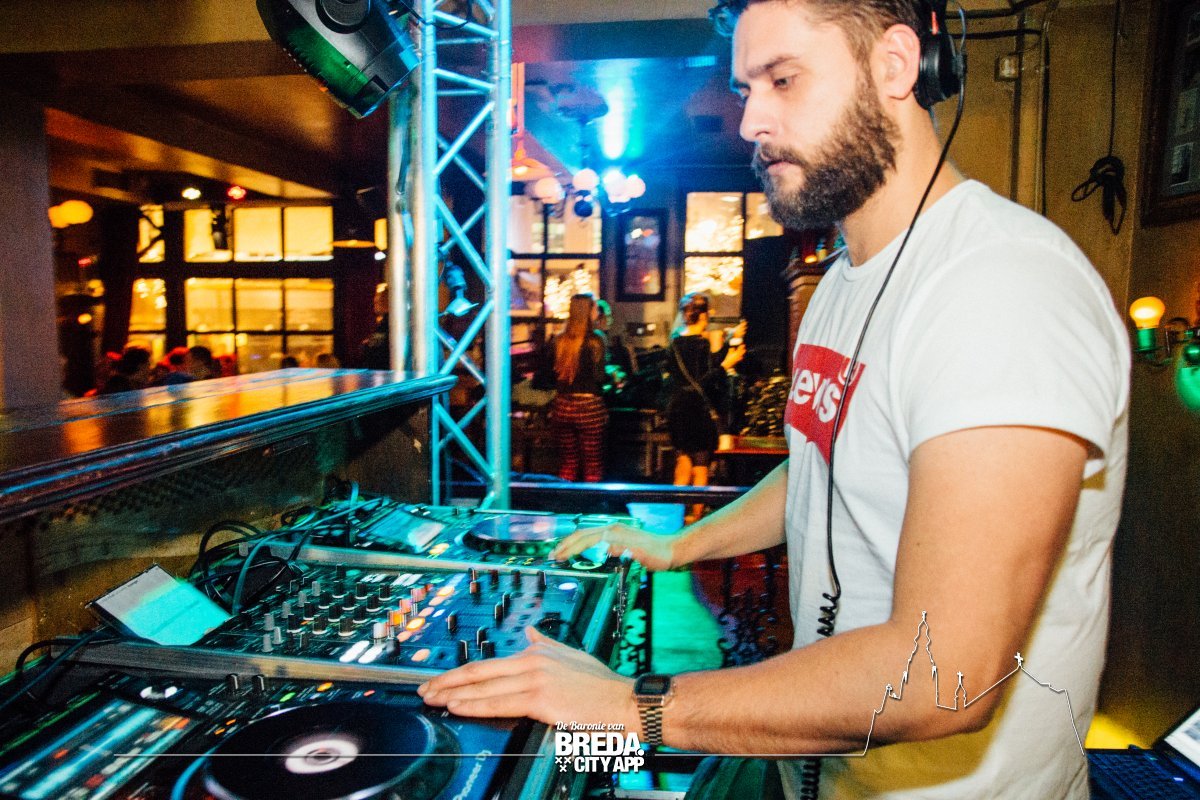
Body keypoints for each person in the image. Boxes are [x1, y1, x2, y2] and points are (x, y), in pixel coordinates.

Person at [418, 2, 1129, 799]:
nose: (750, 120)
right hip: (817, 770)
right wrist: (677, 547)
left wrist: (627, 708)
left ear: (896, 65)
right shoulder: (840, 286)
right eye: (744, 89)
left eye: (783, 80)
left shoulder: (1003, 288)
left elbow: (942, 676)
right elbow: (821, 467)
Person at [665, 293, 745, 521]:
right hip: (698, 410)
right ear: (703, 315)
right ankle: (697, 519)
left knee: (683, 463)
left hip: (678, 409)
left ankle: (676, 519)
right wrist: (727, 363)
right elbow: (707, 379)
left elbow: (685, 377)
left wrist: (729, 341)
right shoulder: (703, 343)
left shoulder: (674, 345)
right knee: (701, 466)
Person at [547, 294, 608, 482]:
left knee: (568, 463)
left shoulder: (559, 341)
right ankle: (591, 497)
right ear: (588, 311)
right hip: (589, 408)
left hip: (563, 407)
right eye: (595, 308)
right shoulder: (596, 340)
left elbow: (549, 375)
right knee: (592, 465)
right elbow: (599, 377)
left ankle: (564, 496)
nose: (597, 312)